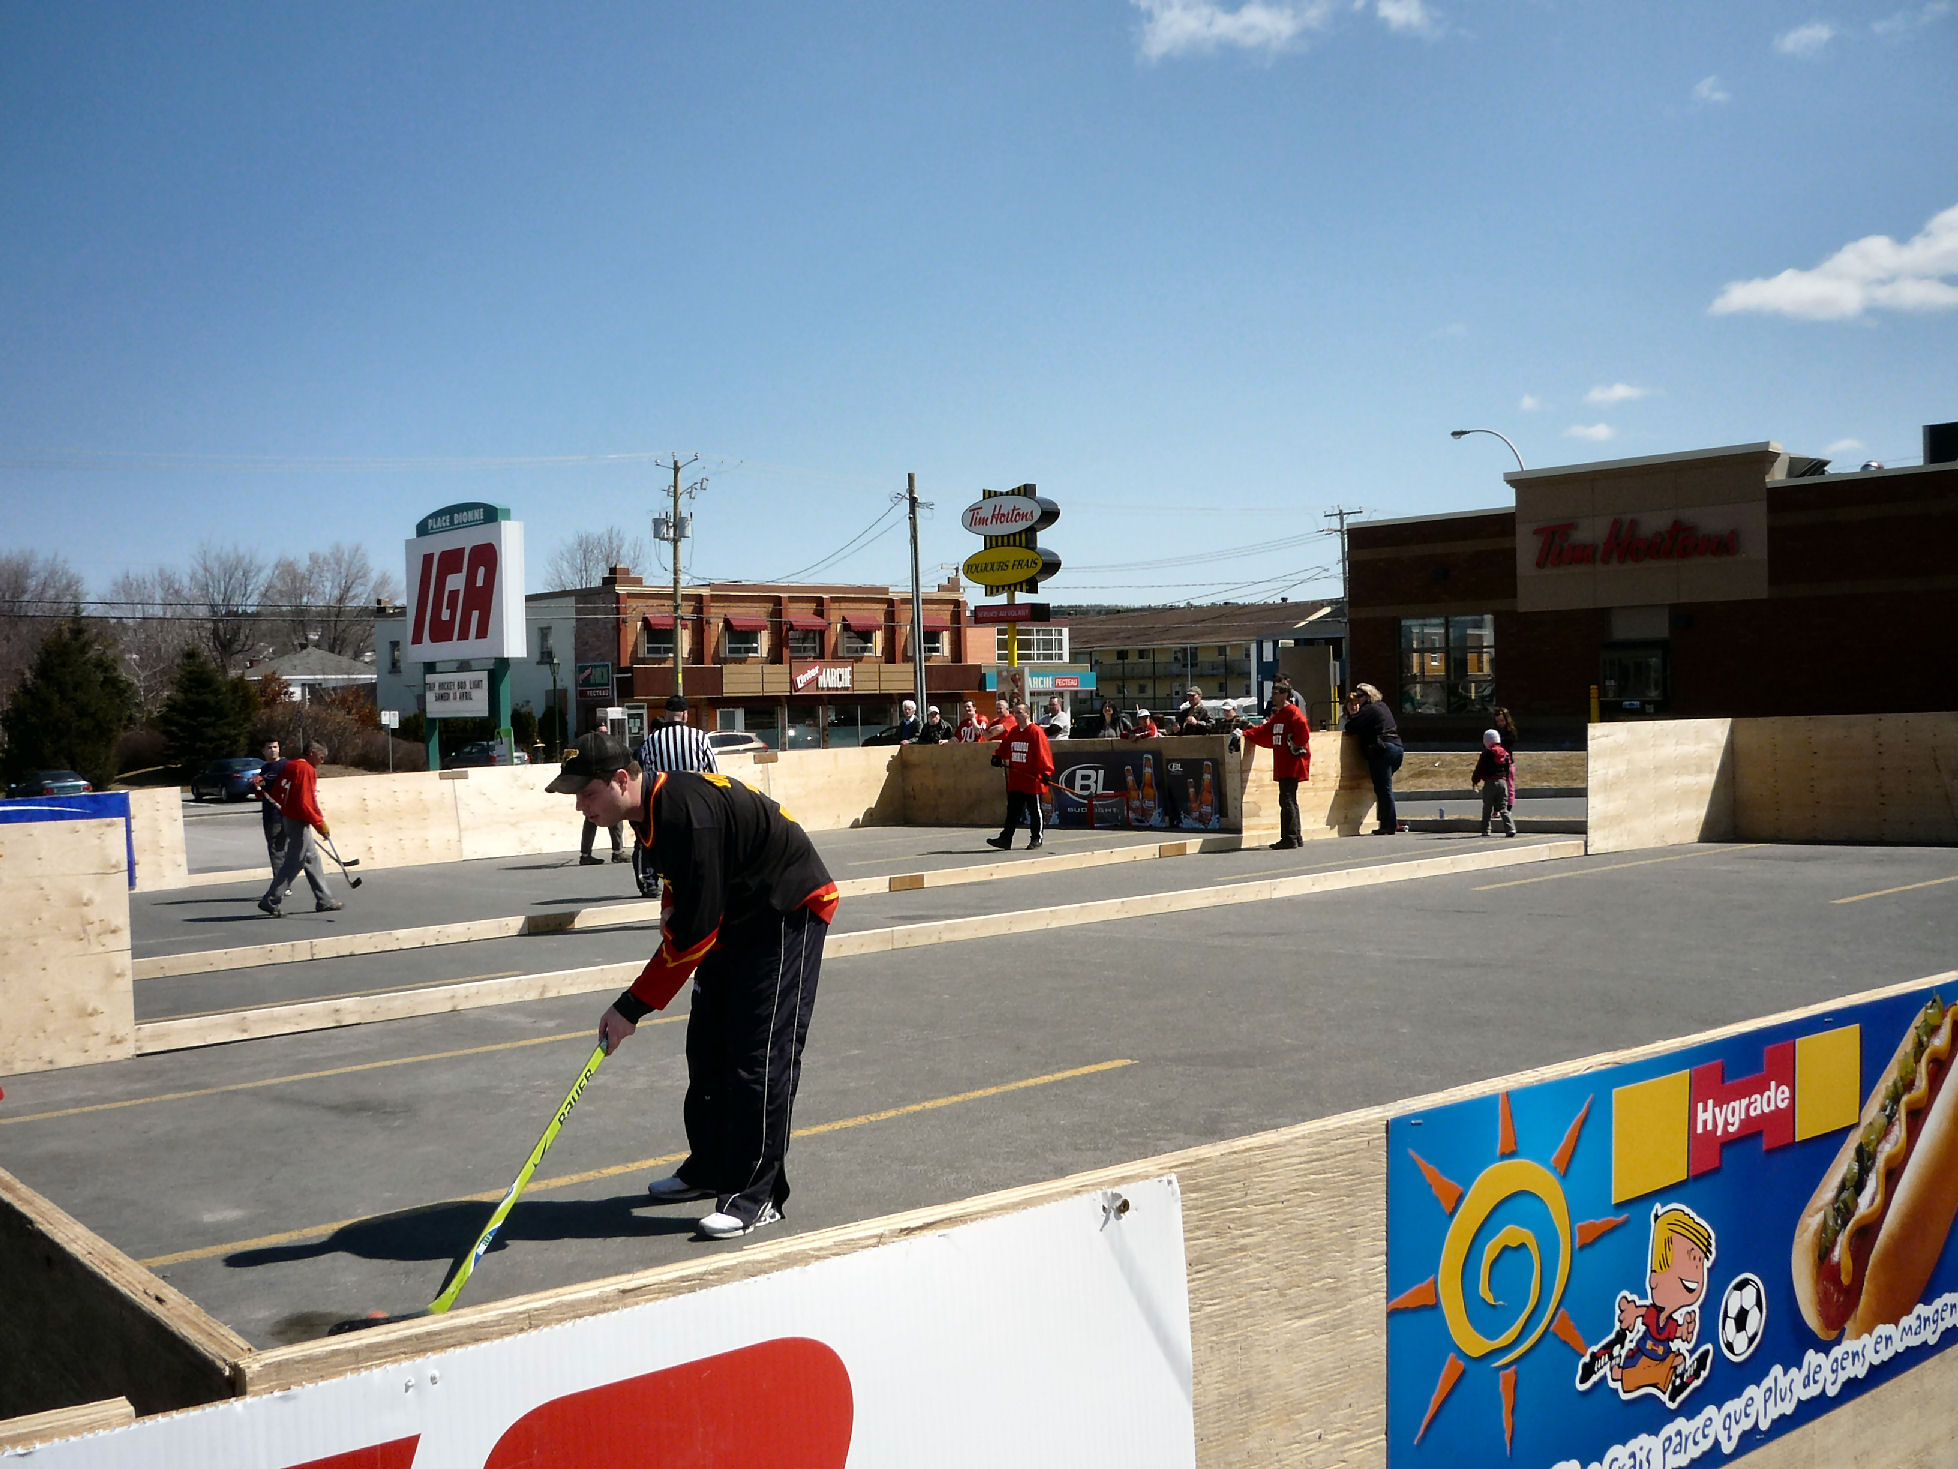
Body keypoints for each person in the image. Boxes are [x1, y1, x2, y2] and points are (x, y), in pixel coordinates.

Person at [551, 732, 839, 1240]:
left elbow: (693, 937)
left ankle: (757, 1194)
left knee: (758, 1058)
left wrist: (630, 1008)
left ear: (621, 780)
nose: (580, 807)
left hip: (783, 907)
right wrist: (671, 906)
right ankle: (711, 1167)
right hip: (739, 909)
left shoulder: (685, 813)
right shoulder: (650, 811)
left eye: (587, 793)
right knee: (707, 1047)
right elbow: (682, 878)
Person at [256, 740, 341, 916]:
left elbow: (278, 791)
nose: (323, 761)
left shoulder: (291, 765)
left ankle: (325, 899)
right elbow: (306, 803)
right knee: (295, 861)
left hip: (289, 817)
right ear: (312, 753)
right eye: (321, 757)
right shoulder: (306, 769)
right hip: (297, 820)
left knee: (312, 858)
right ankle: (270, 899)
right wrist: (319, 824)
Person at [1242, 680, 1312, 849]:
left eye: (1275, 693)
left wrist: (1295, 744)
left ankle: (1290, 838)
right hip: (1284, 763)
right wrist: (1245, 733)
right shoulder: (1280, 715)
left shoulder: (1293, 712)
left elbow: (1303, 732)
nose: (1272, 697)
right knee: (1289, 799)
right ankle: (1295, 836)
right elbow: (1264, 731)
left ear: (1284, 695)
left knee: (1287, 799)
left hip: (1291, 763)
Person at [986, 699, 1054, 851]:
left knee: (1034, 810)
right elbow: (1005, 746)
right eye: (1014, 712)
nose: (1016, 715)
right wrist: (997, 756)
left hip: (1032, 779)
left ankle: (1036, 838)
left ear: (1028, 714)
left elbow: (1044, 753)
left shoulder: (1036, 732)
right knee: (1013, 810)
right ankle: (1006, 838)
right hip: (1017, 778)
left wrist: (1046, 772)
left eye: (1019, 712)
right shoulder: (1014, 731)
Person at [1343, 684, 1404, 835]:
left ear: (1368, 696)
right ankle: (1388, 823)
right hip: (1397, 748)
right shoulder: (1383, 706)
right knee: (1384, 787)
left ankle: (1388, 825)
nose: (1357, 700)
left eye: (1360, 696)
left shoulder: (1368, 709)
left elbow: (1351, 726)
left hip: (1383, 750)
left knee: (1384, 789)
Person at [251, 738, 288, 873]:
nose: (273, 750)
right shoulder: (264, 769)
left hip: (286, 814)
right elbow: (260, 793)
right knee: (275, 850)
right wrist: (256, 786)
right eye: (269, 747)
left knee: (290, 849)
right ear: (263, 751)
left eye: (275, 747)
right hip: (271, 816)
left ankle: (281, 881)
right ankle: (281, 880)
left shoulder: (286, 765)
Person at [1473, 727, 1517, 837]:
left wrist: (1475, 780)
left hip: (1490, 782)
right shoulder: (1505, 753)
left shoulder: (1486, 754)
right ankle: (1510, 828)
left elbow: (1480, 768)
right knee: (1503, 807)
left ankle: (1486, 830)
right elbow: (1508, 768)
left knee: (1487, 807)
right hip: (1502, 782)